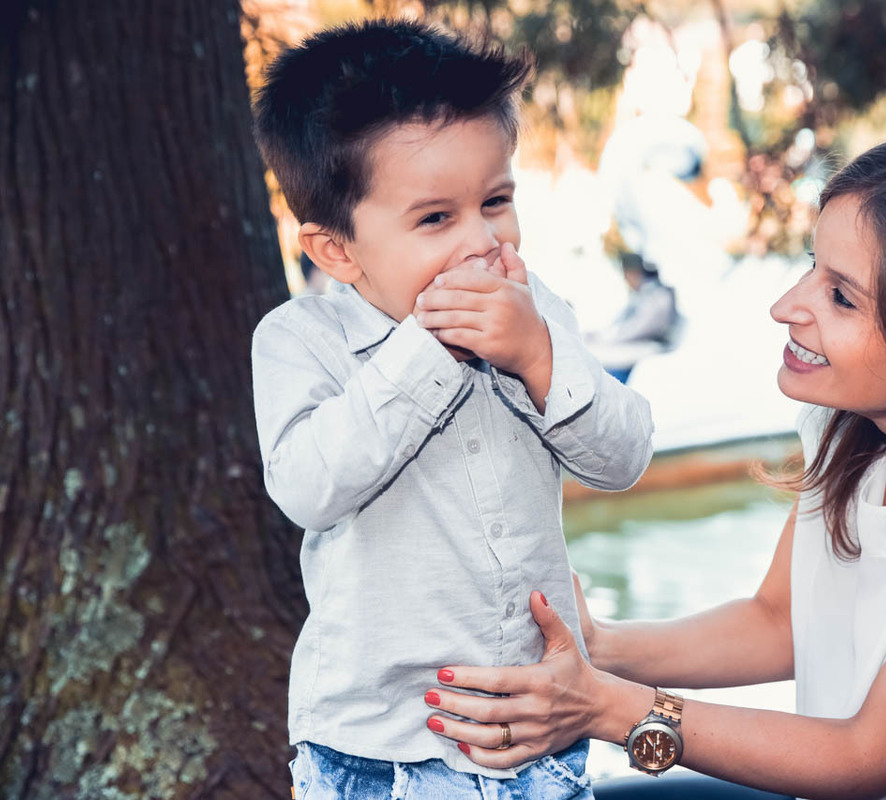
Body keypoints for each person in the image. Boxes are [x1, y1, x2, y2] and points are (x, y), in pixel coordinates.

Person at [419, 124, 886, 799]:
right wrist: (598, 647)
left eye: (842, 297)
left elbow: (867, 756)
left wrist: (605, 708)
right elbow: (781, 623)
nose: (787, 305)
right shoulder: (854, 431)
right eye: (813, 265)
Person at [249, 19, 654, 800]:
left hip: (537, 735)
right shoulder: (301, 340)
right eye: (436, 218)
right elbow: (308, 488)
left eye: (495, 201)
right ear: (337, 250)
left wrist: (539, 359)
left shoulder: (535, 312)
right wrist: (430, 350)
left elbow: (623, 458)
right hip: (379, 749)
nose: (480, 241)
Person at [587, 252, 683, 383]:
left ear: (635, 272)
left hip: (654, 346)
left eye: (627, 275)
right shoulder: (641, 293)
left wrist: (611, 337)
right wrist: (601, 335)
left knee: (608, 363)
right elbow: (621, 322)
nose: (627, 280)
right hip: (638, 343)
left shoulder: (657, 295)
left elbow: (641, 328)